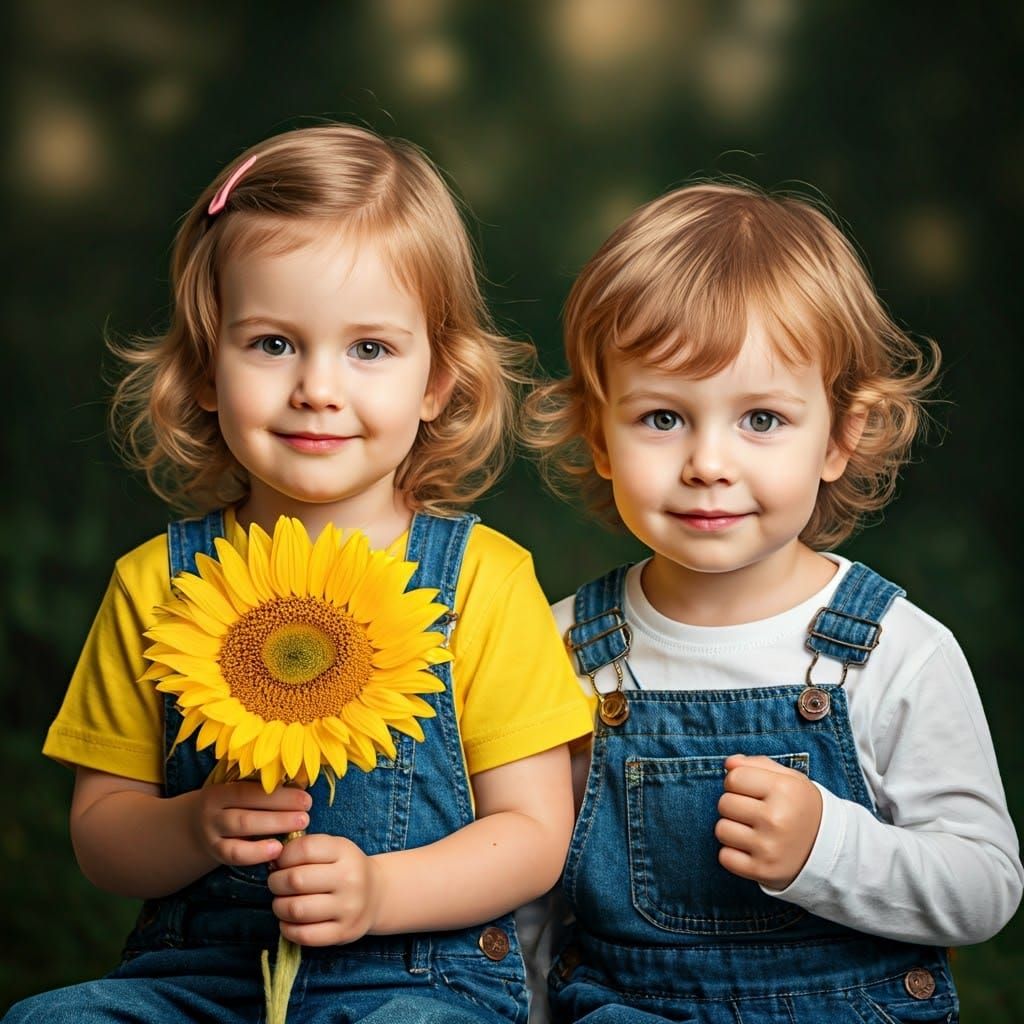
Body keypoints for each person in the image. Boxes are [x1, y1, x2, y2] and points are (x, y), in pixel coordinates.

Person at [6, 123, 592, 1024]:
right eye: (273, 344)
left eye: (370, 349)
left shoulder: (483, 579)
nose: (318, 387)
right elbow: (102, 835)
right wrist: (193, 824)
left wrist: (382, 892)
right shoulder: (156, 584)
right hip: (202, 980)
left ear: (437, 381)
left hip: (414, 982)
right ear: (205, 370)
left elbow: (534, 836)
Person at [523, 182, 1022, 1023]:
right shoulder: (562, 646)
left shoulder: (895, 652)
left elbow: (985, 887)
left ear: (840, 435)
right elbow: (529, 903)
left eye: (760, 419)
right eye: (662, 418)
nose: (709, 464)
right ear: (597, 432)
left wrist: (828, 848)